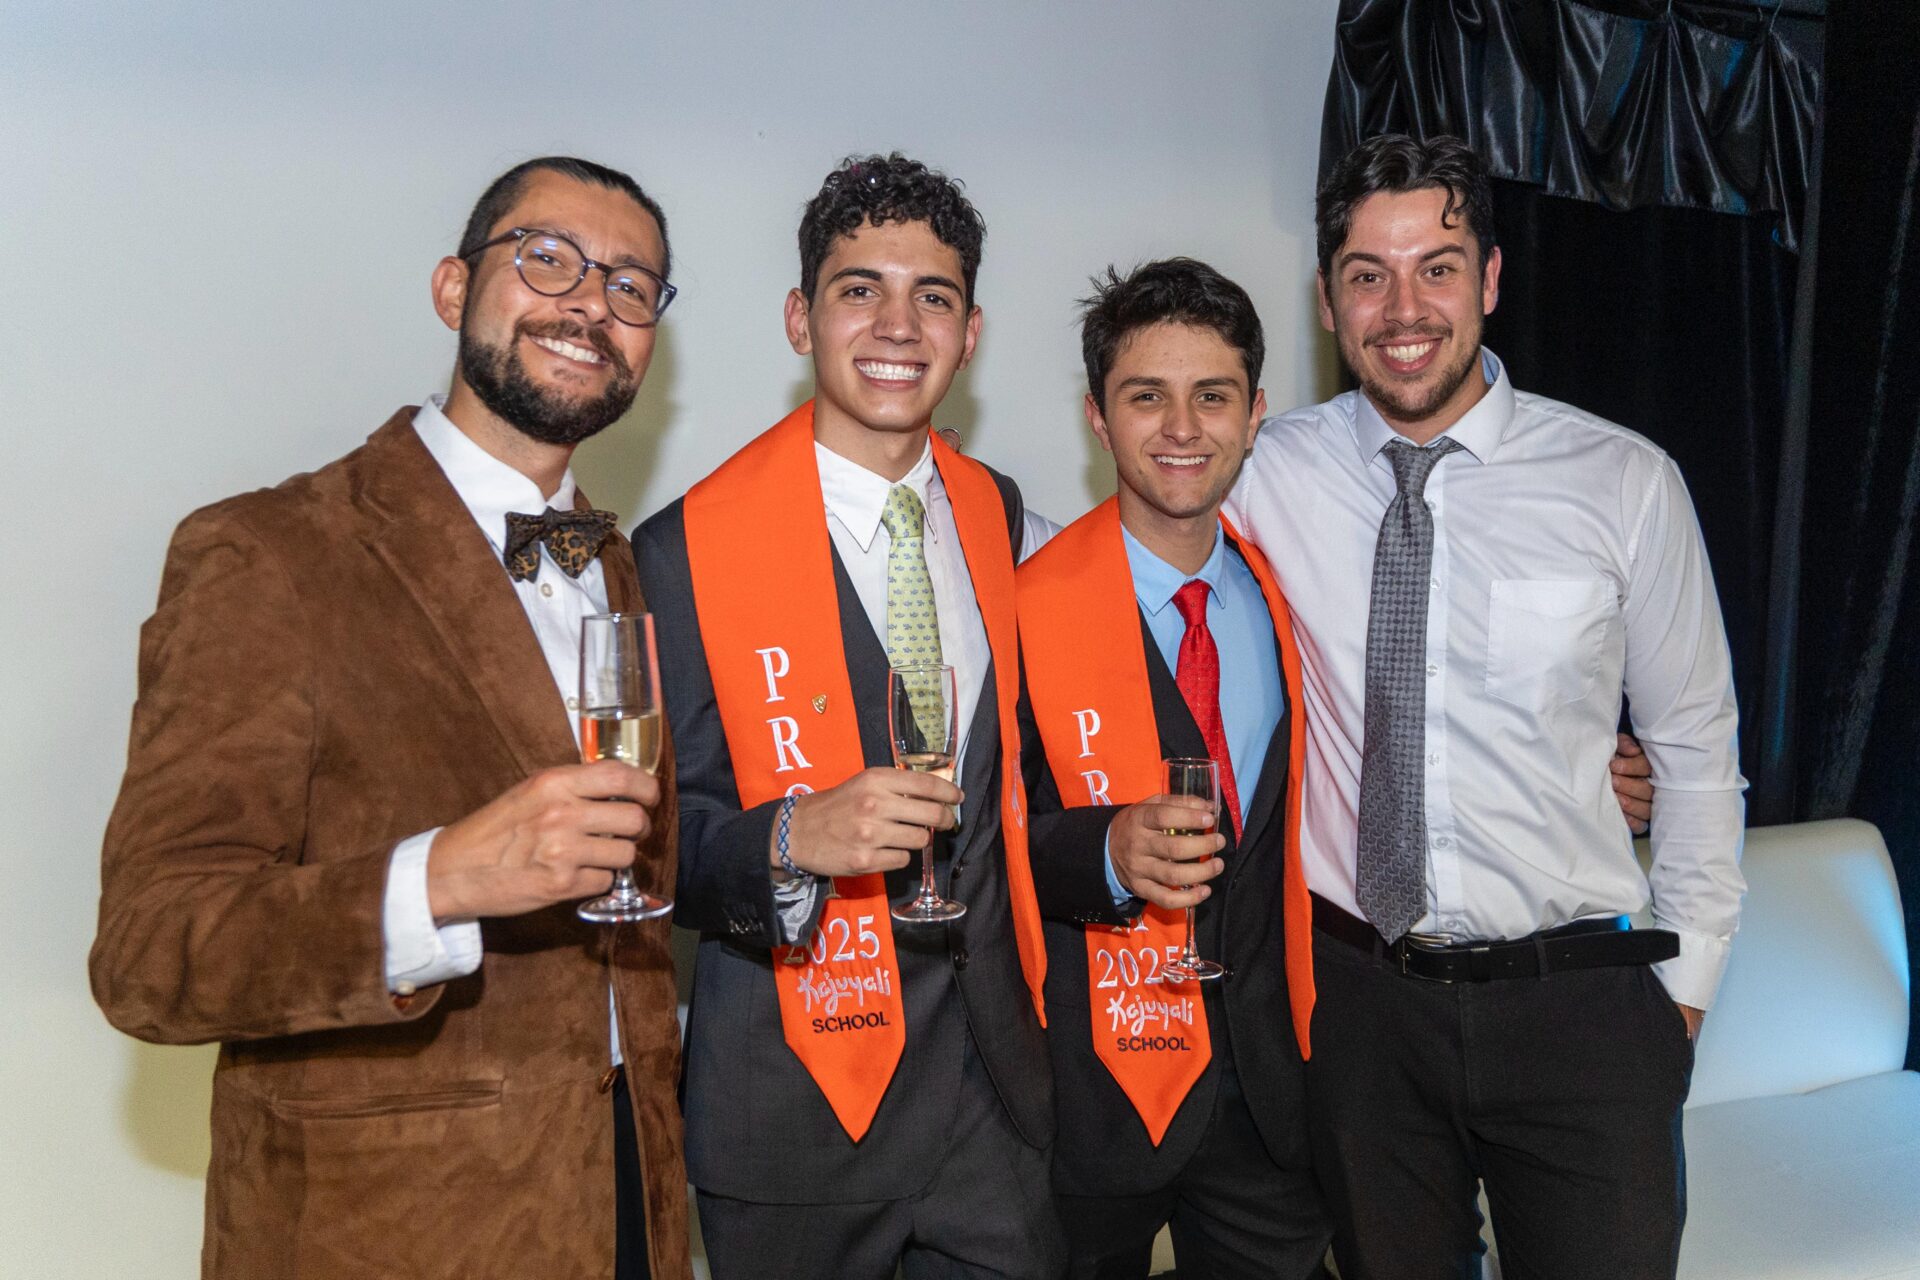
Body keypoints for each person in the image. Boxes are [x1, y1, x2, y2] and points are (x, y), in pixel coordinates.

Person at [90, 157, 690, 1280]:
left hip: (621, 1201)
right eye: (547, 258)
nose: (588, 305)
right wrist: (439, 880)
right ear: (454, 288)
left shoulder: (612, 563)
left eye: (630, 286)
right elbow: (149, 951)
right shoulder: (268, 552)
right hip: (386, 1232)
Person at [1225, 133, 1746, 1278]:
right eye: (1368, 273)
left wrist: (1681, 1005)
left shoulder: (1625, 482)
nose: (1403, 306)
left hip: (1585, 1008)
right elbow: (1120, 564)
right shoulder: (1264, 468)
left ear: (1492, 279)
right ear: (1326, 299)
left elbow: (1698, 751)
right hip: (1363, 1009)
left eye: (1439, 266)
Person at [632, 154, 1062, 1280]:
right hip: (797, 1116)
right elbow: (652, 836)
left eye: (934, 295)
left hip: (994, 1102)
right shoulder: (683, 549)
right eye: (857, 287)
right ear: (799, 317)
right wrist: (787, 837)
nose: (898, 324)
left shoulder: (996, 509)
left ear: (971, 333)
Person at [1016, 258, 1332, 1278]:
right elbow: (982, 840)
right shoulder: (1020, 608)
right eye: (1146, 395)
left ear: (1256, 414)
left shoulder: (1295, 594)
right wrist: (1104, 848)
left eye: (1213, 396)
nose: (1181, 428)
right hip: (1087, 1101)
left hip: (1269, 1100)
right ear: (1098, 420)